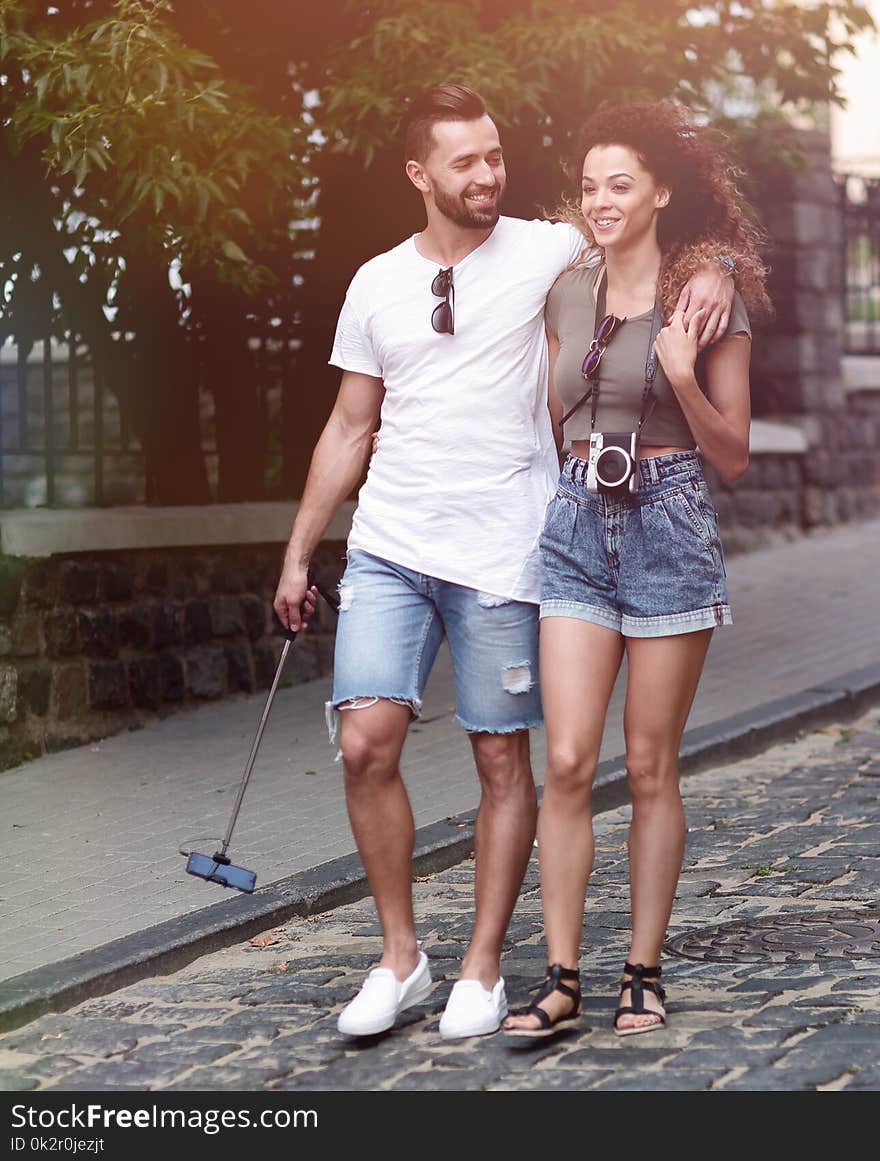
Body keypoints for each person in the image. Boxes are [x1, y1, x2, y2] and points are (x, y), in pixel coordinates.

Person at [273, 84, 747, 1041]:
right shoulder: (449, 278)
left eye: (497, 156)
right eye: (467, 162)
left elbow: (667, 243)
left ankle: (560, 971)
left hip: (580, 536)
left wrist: (719, 271)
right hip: (474, 535)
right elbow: (349, 421)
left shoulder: (603, 265)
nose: (491, 174)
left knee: (580, 760)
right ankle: (464, 964)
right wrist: (296, 554)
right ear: (420, 175)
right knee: (451, 750)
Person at [502, 101, 772, 1040]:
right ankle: (562, 975)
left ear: (661, 191)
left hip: (668, 524)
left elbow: (733, 455)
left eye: (622, 184)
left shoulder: (705, 295)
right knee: (569, 760)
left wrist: (684, 373)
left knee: (651, 765)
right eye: (589, 186)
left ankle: (642, 971)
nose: (602, 200)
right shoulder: (563, 286)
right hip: (577, 524)